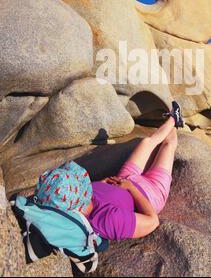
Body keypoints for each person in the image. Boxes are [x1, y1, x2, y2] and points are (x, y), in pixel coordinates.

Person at [33, 101, 184, 242]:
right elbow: (153, 221)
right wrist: (130, 188)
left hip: (124, 178)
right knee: (168, 146)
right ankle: (176, 121)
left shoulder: (79, 195)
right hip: (151, 193)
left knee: (147, 142)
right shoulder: (106, 221)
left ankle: (172, 118)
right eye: (80, 183)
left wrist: (102, 183)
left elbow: (90, 193)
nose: (82, 183)